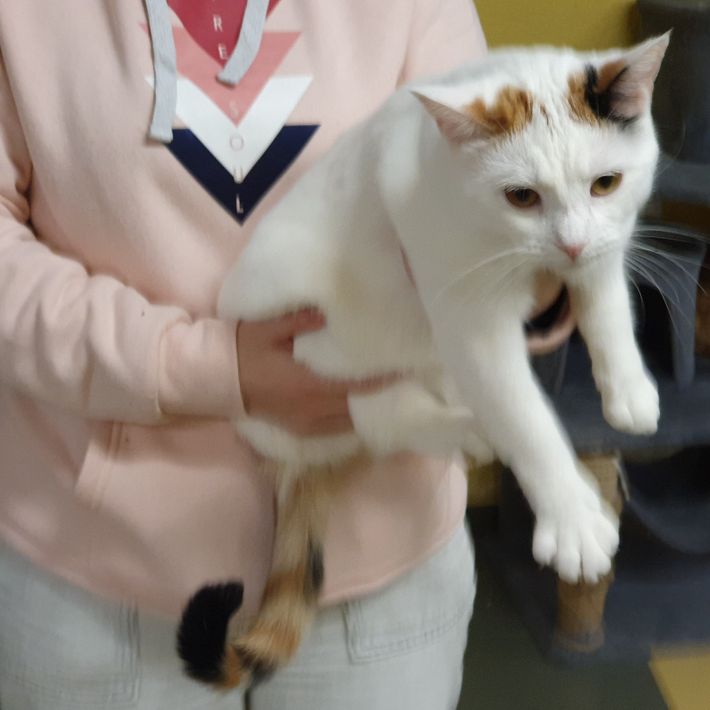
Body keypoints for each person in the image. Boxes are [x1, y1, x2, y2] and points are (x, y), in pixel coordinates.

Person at [0, 2, 561, 708]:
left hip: (380, 566)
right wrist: (207, 367)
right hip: (96, 584)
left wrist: (530, 278)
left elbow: (490, 181)